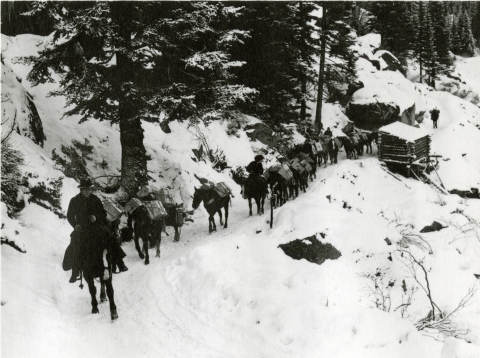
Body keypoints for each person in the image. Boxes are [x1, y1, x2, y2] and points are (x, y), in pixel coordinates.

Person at [66, 178, 127, 283]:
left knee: (110, 237)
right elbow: (70, 216)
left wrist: (96, 217)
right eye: (84, 189)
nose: (87, 191)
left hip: (96, 226)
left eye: (89, 189)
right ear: (80, 189)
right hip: (81, 227)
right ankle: (75, 271)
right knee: (74, 242)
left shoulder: (95, 199)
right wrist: (75, 225)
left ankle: (119, 262)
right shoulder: (74, 200)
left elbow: (103, 214)